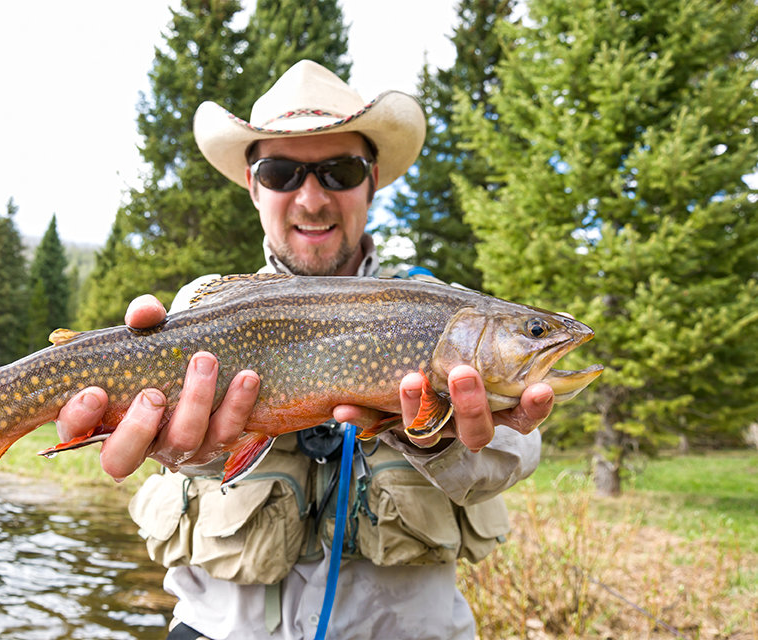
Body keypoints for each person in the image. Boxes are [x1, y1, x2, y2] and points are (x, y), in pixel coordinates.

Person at [56, 60, 553, 640]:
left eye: (339, 171)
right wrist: (185, 451)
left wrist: (440, 437)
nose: (312, 198)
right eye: (281, 172)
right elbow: (196, 457)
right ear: (252, 185)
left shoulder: (444, 308)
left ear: (372, 180)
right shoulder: (197, 309)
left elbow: (516, 451)